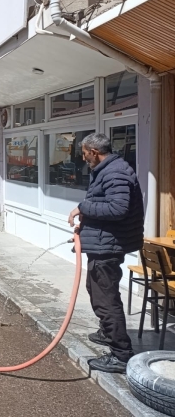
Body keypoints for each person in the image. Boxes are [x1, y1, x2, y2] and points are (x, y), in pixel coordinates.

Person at [68, 133, 143, 374]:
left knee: (105, 300)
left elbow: (117, 209)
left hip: (108, 247)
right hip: (103, 243)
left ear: (94, 152)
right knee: (96, 291)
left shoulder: (115, 173)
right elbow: (107, 206)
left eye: (85, 153)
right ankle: (107, 332)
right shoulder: (108, 170)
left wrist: (82, 208)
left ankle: (121, 354)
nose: (83, 158)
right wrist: (86, 228)